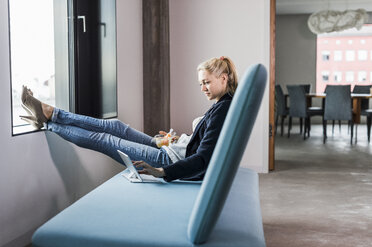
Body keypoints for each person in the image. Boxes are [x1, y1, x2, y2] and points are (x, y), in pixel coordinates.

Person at [20, 56, 238, 182]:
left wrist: (162, 172)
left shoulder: (223, 109)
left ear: (223, 79)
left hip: (170, 161)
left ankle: (48, 121)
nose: (202, 88)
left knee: (106, 140)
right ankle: (52, 113)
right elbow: (204, 141)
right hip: (172, 148)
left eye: (206, 82)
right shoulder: (221, 104)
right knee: (115, 126)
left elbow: (203, 160)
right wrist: (179, 138)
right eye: (201, 83)